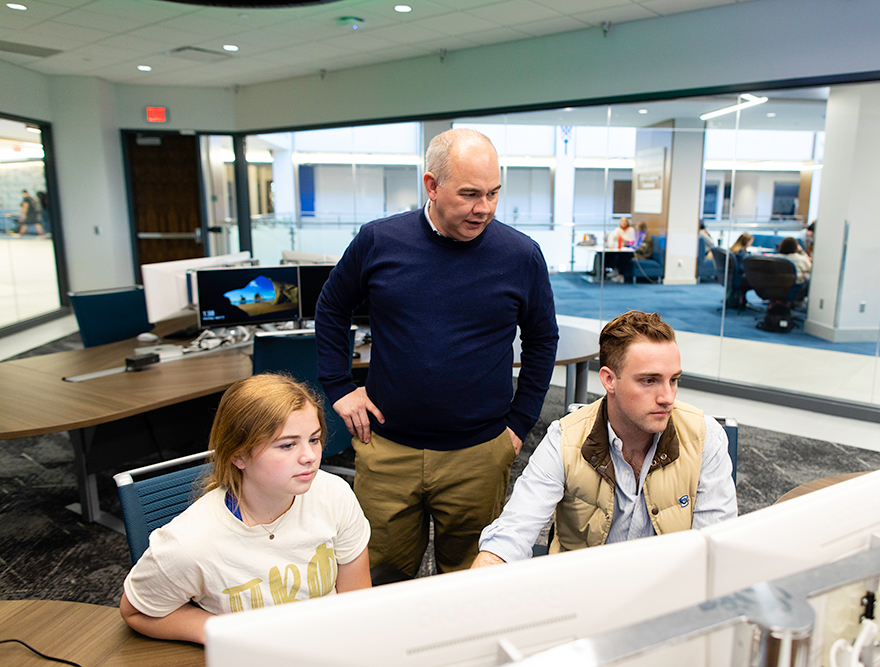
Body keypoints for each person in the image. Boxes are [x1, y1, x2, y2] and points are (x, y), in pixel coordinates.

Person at [315, 128, 559, 577]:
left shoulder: (520, 254)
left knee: (471, 583)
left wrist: (519, 425)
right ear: (431, 185)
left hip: (480, 452)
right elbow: (331, 307)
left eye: (492, 193)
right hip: (387, 447)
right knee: (378, 577)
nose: (483, 207)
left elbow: (543, 340)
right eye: (469, 194)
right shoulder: (379, 241)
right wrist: (339, 386)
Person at [119, 373, 372, 644]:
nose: (310, 456)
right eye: (287, 445)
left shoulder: (334, 494)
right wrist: (224, 633)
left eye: (313, 439)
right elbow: (135, 611)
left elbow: (357, 601)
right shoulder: (190, 544)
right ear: (238, 455)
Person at [472, 311, 737, 566]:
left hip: (670, 596)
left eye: (674, 380)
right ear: (609, 380)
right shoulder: (564, 439)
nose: (667, 397)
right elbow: (513, 532)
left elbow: (716, 548)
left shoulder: (704, 437)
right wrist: (485, 572)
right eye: (649, 381)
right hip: (585, 596)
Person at [778, 236, 811, 302]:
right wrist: (801, 251)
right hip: (794, 286)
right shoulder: (800, 259)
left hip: (777, 285)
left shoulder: (775, 258)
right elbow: (810, 268)